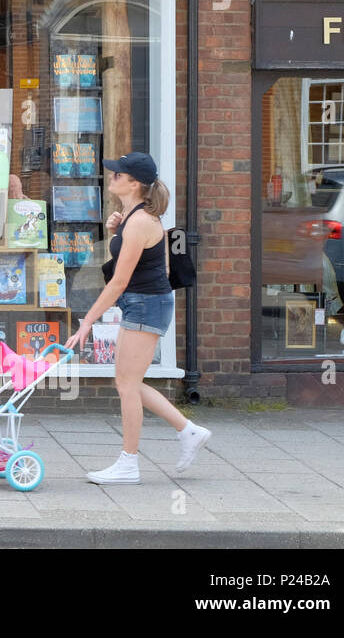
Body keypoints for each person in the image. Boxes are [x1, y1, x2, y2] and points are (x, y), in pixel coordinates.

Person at [65, 152, 212, 483]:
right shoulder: (134, 217)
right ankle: (188, 431)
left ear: (135, 183)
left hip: (147, 305)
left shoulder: (142, 221)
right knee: (127, 382)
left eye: (118, 174)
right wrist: (115, 233)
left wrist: (88, 320)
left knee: (127, 385)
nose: (112, 177)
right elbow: (124, 269)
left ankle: (128, 464)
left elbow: (118, 281)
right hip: (142, 303)